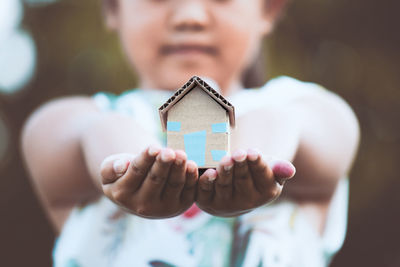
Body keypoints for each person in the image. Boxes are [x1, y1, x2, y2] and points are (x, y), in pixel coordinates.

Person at [21, 0, 360, 266]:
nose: (190, 16)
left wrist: (251, 158)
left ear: (268, 9)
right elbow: (55, 134)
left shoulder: (297, 106)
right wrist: (133, 163)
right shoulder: (94, 116)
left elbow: (327, 132)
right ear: (112, 8)